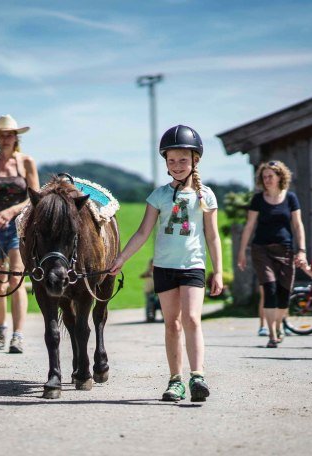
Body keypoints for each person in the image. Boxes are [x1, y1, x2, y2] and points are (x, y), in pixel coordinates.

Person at [110, 125, 223, 402]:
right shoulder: (158, 195)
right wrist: (122, 258)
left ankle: (198, 376)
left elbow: (212, 235)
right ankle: (176, 381)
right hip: (164, 268)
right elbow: (142, 232)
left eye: (183, 160)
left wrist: (217, 271)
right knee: (171, 324)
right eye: (171, 160)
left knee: (192, 319)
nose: (177, 165)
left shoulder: (205, 195)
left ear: (195, 160)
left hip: (193, 266)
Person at [0, 115, 39, 354]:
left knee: (17, 280)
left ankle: (18, 334)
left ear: (16, 137)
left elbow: (34, 196)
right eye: (1, 134)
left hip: (18, 227)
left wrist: (12, 210)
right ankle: (1, 327)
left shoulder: (26, 162)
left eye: (10, 134)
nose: (6, 138)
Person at [237, 160, 307, 348]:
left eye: (270, 176)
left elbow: (298, 225)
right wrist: (242, 251)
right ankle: (272, 334)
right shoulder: (258, 199)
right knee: (270, 289)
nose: (266, 180)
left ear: (279, 177)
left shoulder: (290, 198)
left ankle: (278, 325)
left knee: (284, 294)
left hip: (285, 250)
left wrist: (302, 250)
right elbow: (249, 225)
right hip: (261, 250)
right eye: (264, 176)